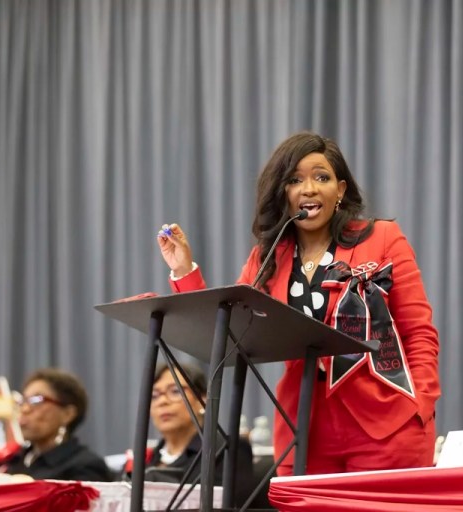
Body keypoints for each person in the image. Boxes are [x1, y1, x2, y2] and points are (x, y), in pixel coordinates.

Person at [157, 132, 440, 476]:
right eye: (294, 180)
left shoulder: (381, 238)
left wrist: (420, 404)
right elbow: (225, 331)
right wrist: (184, 271)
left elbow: (418, 332)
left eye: (321, 177)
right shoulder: (267, 257)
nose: (308, 189)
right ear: (282, 193)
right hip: (303, 429)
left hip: (384, 423)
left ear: (340, 190)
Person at [127, 364, 254, 505]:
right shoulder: (142, 459)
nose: (162, 401)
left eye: (175, 391)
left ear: (202, 399)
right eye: (154, 396)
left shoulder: (227, 450)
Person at [1, 368, 113, 481]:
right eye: (23, 401)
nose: (24, 409)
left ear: (67, 414)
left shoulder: (85, 467)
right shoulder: (14, 461)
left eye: (36, 400)